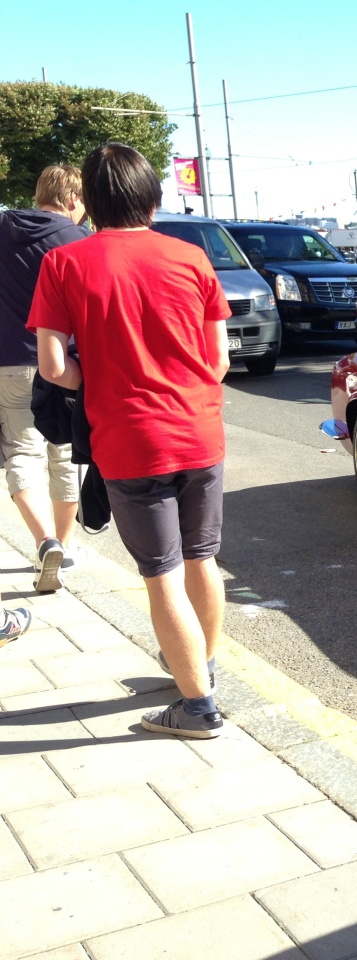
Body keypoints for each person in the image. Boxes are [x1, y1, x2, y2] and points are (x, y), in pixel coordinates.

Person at [28, 143, 231, 739]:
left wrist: (94, 377)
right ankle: (200, 669)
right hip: (200, 431)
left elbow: (51, 366)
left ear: (88, 202)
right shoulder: (191, 257)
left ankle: (197, 708)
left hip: (129, 438)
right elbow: (218, 360)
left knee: (161, 571)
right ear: (154, 195)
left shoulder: (65, 264)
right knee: (202, 558)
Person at [0, 163, 90, 592]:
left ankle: (44, 541)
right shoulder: (77, 240)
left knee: (21, 451)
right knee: (66, 451)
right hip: (64, 363)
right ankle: (65, 545)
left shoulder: (1, 228)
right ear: (73, 200)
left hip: (8, 362)